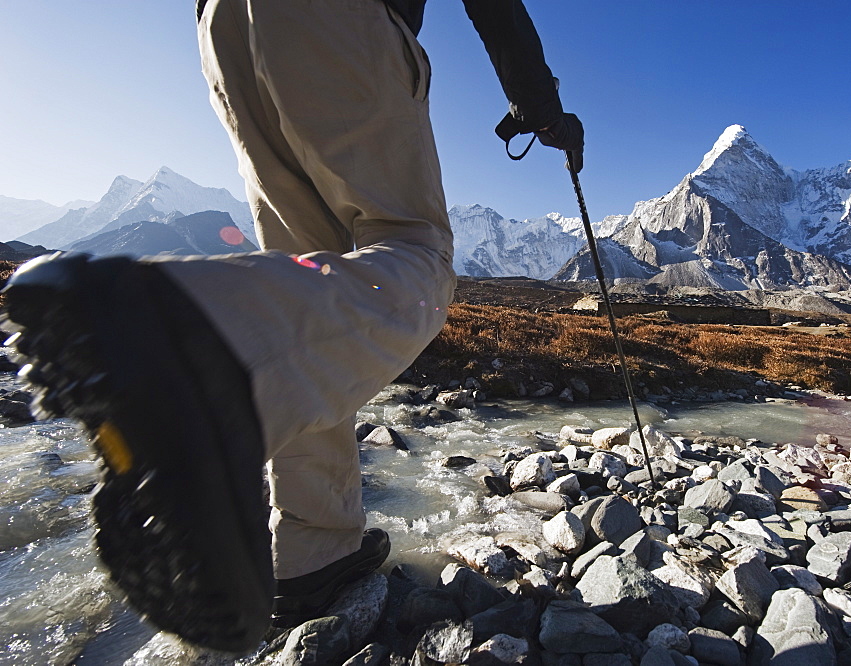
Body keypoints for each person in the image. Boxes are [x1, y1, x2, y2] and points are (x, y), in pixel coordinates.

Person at [2, 0, 583, 653]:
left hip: (224, 30)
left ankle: (312, 552)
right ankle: (213, 345)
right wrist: (538, 102)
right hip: (338, 18)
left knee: (308, 277)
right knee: (417, 253)